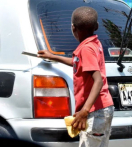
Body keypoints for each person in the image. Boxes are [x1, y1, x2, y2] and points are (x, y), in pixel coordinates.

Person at [37, 6, 114, 147]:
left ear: (73, 28)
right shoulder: (94, 43)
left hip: (94, 111)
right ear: (96, 26)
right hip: (102, 109)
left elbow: (98, 81)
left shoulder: (86, 49)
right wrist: (52, 56)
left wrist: (84, 111)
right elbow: (77, 63)